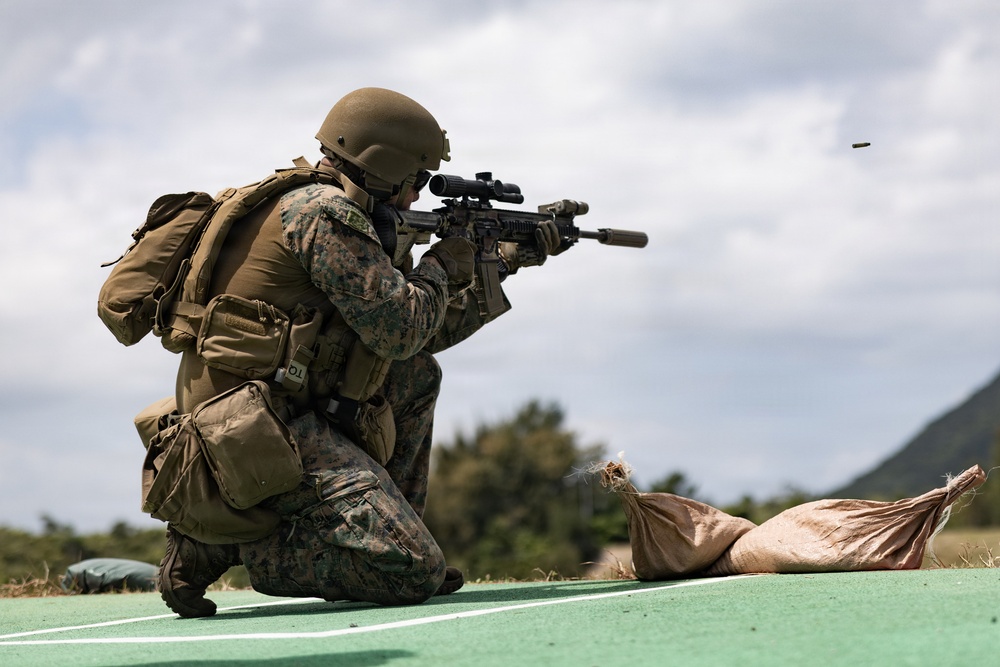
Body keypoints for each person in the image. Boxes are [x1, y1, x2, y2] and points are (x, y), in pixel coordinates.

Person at [156, 87, 568, 617]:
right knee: (411, 572)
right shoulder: (322, 214)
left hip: (275, 411)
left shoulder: (319, 204)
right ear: (384, 166)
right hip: (250, 430)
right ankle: (226, 545)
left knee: (415, 374)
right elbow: (401, 327)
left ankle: (393, 532)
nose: (419, 196)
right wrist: (442, 265)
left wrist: (502, 262)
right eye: (417, 181)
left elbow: (413, 339)